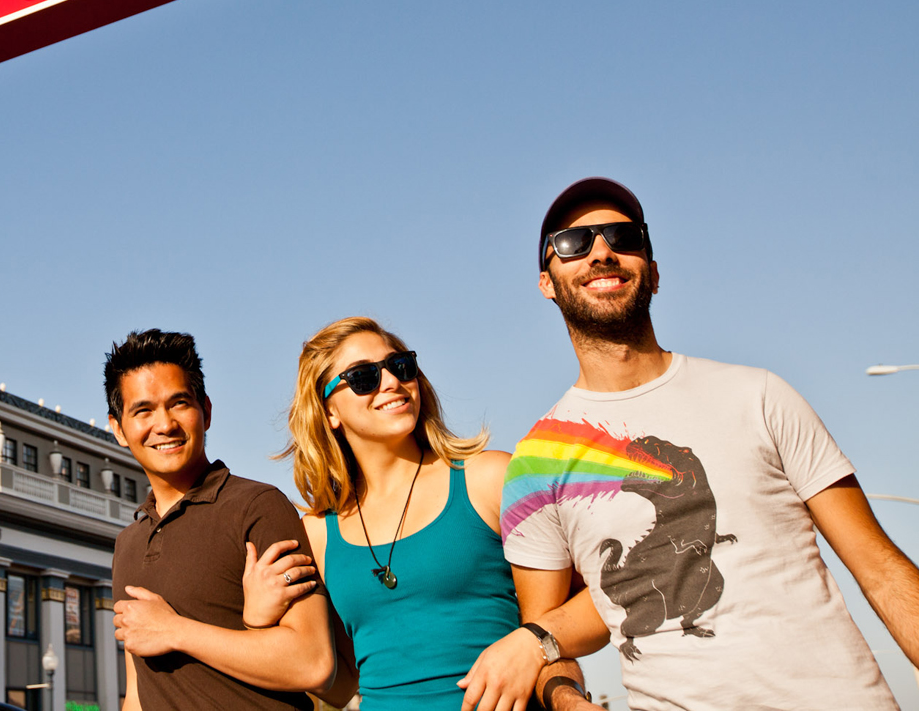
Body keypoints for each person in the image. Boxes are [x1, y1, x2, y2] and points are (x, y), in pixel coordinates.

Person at [504, 177, 919, 710]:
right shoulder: (537, 462)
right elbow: (543, 640)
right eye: (573, 243)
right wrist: (569, 701)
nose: (601, 252)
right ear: (546, 281)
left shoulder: (760, 395)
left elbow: (881, 568)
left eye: (623, 237)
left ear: (652, 273)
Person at [248, 316, 608, 711]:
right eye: (364, 377)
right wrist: (257, 620)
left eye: (401, 366)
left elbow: (605, 599)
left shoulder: (489, 480)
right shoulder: (317, 534)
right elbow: (336, 682)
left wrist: (537, 647)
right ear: (329, 412)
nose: (391, 382)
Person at [105, 328, 337, 711]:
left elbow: (313, 663)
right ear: (118, 429)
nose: (164, 425)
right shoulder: (127, 543)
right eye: (143, 410)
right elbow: (137, 691)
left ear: (206, 411)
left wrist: (176, 631)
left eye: (179, 403)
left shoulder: (258, 506)